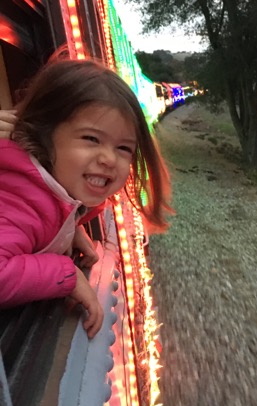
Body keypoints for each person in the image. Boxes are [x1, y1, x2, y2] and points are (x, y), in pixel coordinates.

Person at [0, 57, 171, 338]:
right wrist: (67, 275)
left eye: (124, 148)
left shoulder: (50, 190)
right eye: (91, 139)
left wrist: (68, 229)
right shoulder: (19, 199)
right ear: (44, 135)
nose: (108, 158)